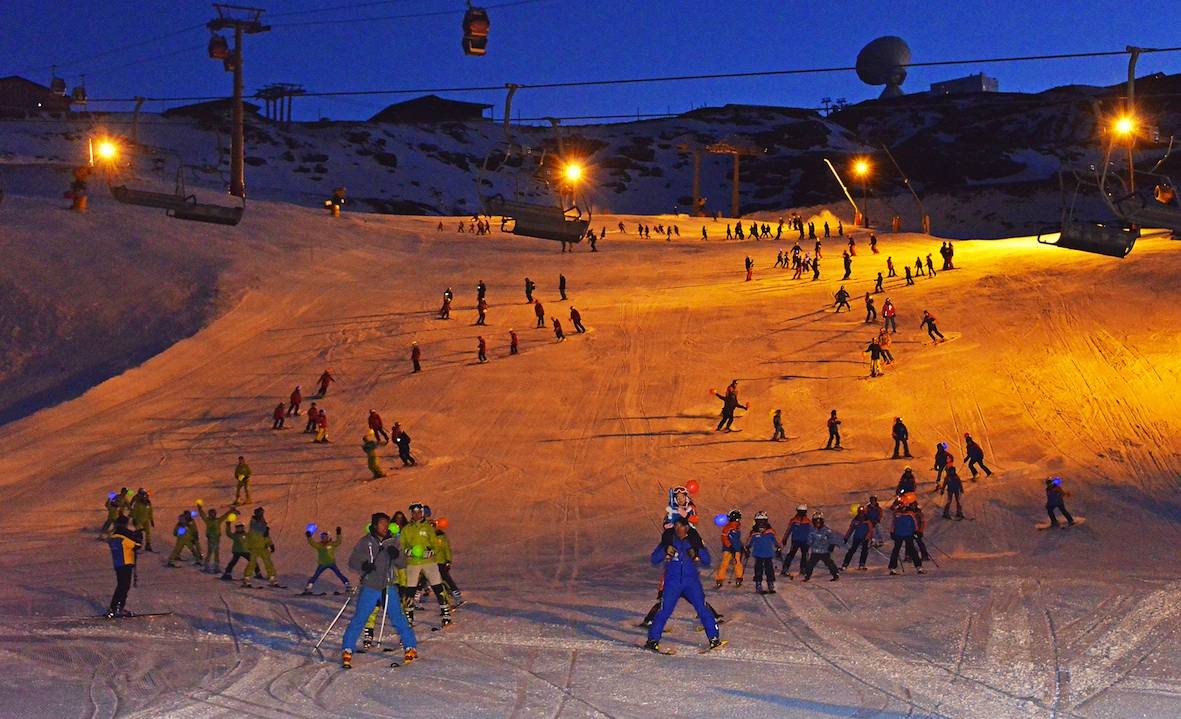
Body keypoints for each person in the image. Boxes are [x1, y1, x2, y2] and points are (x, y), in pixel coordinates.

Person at [341, 513, 418, 669]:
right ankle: (347, 649)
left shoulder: (393, 542)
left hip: (388, 586)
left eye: (386, 524)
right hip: (370, 586)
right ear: (375, 525)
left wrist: (396, 556)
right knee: (360, 618)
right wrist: (364, 565)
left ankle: (410, 647)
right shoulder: (366, 542)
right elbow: (352, 561)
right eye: (382, 524)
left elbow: (403, 563)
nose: (385, 527)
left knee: (398, 618)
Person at [643, 517, 724, 654]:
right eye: (678, 528)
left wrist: (696, 550)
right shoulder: (668, 540)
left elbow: (707, 560)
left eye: (683, 528)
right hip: (672, 582)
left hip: (691, 582)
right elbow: (654, 559)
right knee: (664, 611)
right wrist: (665, 550)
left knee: (703, 609)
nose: (681, 531)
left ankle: (714, 639)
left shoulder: (693, 540)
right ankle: (652, 640)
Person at [402, 503, 453, 627]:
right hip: (413, 562)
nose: (417, 515)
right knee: (410, 589)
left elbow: (435, 544)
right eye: (414, 512)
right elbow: (402, 544)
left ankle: (446, 612)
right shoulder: (407, 529)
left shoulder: (428, 527)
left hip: (428, 562)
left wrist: (431, 552)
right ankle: (409, 616)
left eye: (419, 512)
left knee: (437, 586)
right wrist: (407, 551)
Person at [106, 516, 142, 618]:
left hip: (118, 564)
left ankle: (114, 607)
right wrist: (138, 535)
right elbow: (136, 545)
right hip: (126, 563)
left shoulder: (113, 537)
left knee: (121, 586)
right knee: (124, 586)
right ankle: (118, 608)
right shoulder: (123, 537)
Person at [304, 526, 350, 594]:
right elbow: (312, 543)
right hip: (323, 563)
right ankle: (308, 587)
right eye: (322, 537)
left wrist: (338, 533)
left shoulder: (331, 544)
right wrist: (309, 537)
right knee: (316, 575)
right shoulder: (319, 545)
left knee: (339, 574)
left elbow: (338, 542)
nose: (323, 538)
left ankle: (347, 585)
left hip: (331, 563)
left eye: (325, 537)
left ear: (327, 537)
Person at [243, 507, 280, 587]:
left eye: (262, 513)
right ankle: (246, 578)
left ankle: (272, 578)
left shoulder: (262, 521)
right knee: (252, 563)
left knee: (268, 562)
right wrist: (265, 530)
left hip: (263, 547)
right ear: (256, 513)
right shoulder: (253, 522)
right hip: (254, 547)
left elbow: (266, 536)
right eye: (260, 513)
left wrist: (270, 544)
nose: (261, 514)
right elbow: (257, 530)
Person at [746, 511, 781, 593]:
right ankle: (758, 584)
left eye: (763, 521)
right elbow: (749, 542)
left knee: (769, 570)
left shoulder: (770, 532)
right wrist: (747, 548)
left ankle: (770, 583)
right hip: (758, 555)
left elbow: (776, 540)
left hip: (768, 554)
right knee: (758, 570)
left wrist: (778, 547)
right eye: (759, 521)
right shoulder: (754, 533)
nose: (761, 523)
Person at [802, 513, 841, 582]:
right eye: (816, 522)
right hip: (815, 551)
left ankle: (835, 574)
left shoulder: (826, 530)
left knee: (830, 563)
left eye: (819, 522)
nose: (818, 524)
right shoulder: (812, 531)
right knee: (810, 564)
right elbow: (810, 539)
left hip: (824, 551)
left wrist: (832, 544)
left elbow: (832, 537)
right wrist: (807, 545)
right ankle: (807, 576)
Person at [888, 502, 924, 575]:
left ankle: (918, 567)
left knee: (912, 550)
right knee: (896, 551)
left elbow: (914, 523)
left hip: (908, 534)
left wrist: (917, 531)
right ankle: (892, 568)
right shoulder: (896, 514)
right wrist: (892, 532)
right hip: (900, 534)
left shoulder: (910, 514)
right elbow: (893, 524)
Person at [434, 520, 463, 607]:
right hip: (430, 562)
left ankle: (456, 595)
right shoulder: (427, 537)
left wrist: (448, 560)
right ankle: (446, 597)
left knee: (446, 579)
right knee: (434, 581)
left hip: (441, 561)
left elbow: (446, 549)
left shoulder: (441, 536)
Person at [714, 509, 745, 588]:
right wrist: (729, 546)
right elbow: (724, 537)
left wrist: (742, 546)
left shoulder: (737, 527)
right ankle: (720, 579)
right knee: (727, 563)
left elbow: (737, 539)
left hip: (736, 548)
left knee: (736, 562)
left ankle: (738, 577)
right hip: (728, 549)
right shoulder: (728, 527)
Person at [779, 505, 812, 578]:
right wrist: (785, 539)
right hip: (796, 541)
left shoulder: (808, 521)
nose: (801, 513)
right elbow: (788, 530)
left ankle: (803, 568)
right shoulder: (794, 521)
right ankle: (785, 568)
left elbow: (812, 531)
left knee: (804, 555)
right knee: (792, 554)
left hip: (804, 541)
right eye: (800, 512)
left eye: (802, 512)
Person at [842, 506, 873, 571]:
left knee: (864, 551)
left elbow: (870, 530)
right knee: (852, 550)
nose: (861, 514)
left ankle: (862, 564)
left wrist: (867, 537)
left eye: (862, 512)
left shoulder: (867, 520)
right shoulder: (855, 520)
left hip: (865, 538)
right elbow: (851, 529)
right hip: (857, 537)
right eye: (860, 512)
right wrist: (846, 538)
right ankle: (845, 564)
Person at [200, 505, 223, 574]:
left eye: (213, 514)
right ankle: (207, 565)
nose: (212, 515)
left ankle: (216, 566)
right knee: (210, 551)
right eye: (211, 514)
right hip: (211, 538)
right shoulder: (208, 521)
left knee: (216, 552)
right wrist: (200, 509)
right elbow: (202, 515)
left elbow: (225, 516)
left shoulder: (218, 520)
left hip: (216, 538)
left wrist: (232, 511)